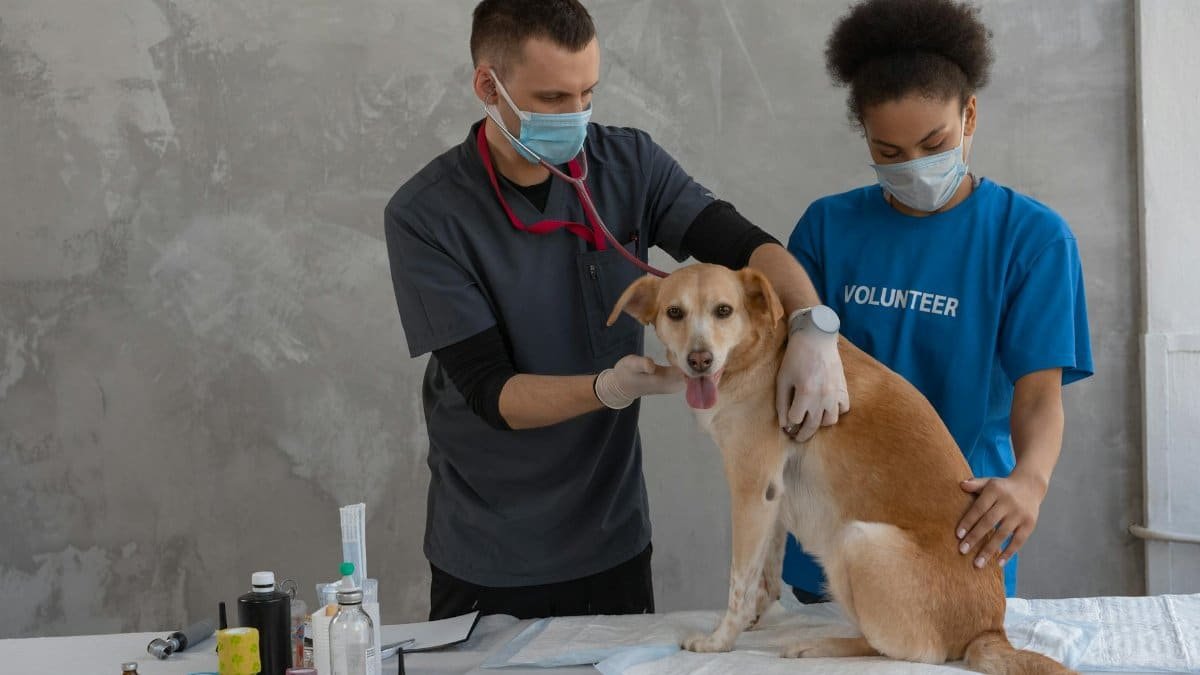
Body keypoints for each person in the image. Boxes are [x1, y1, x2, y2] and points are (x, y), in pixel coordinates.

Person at [385, 0, 849, 621]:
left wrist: (812, 327)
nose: (574, 117)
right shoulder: (426, 216)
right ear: (488, 87)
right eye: (551, 98)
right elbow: (490, 392)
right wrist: (609, 387)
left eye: (587, 93)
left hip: (612, 535)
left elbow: (748, 247)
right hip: (493, 546)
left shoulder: (628, 166)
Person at [783, 0, 1094, 602]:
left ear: (970, 114)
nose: (915, 168)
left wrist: (1029, 483)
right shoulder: (826, 229)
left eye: (935, 143)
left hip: (959, 531)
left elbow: (1038, 398)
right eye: (890, 154)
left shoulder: (1031, 239)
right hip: (834, 526)